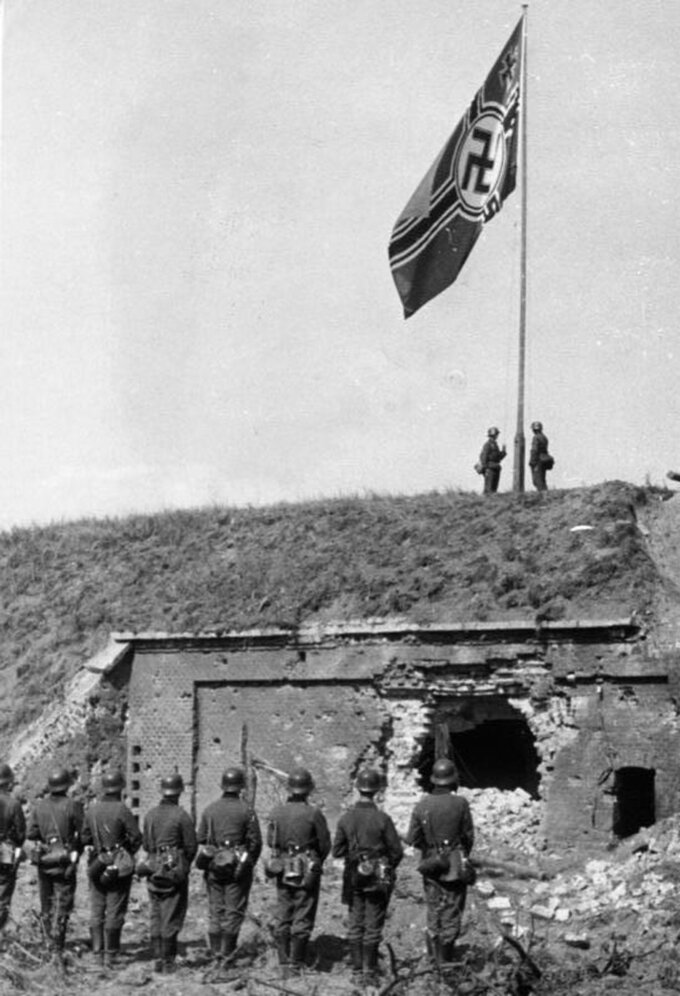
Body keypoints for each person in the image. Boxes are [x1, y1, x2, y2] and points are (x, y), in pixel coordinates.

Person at [332, 768, 403, 988]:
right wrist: (384, 866)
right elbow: (397, 851)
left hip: (353, 877)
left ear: (358, 789)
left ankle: (356, 971)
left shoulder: (346, 819)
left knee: (355, 923)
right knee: (373, 924)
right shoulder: (383, 818)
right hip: (377, 880)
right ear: (377, 791)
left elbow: (336, 851)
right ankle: (369, 972)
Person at [406, 758, 474, 971]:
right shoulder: (461, 803)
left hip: (431, 864)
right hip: (454, 863)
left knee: (434, 909)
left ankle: (433, 960)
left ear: (434, 780)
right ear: (452, 779)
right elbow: (468, 836)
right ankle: (446, 961)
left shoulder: (421, 805)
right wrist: (460, 855)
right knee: (452, 909)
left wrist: (430, 851)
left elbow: (412, 838)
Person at [266, 767, 330, 977]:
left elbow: (270, 841)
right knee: (303, 911)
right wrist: (313, 860)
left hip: (282, 866)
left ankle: (283, 962)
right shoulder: (313, 813)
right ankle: (296, 964)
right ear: (308, 789)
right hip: (307, 867)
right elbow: (324, 845)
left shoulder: (277, 812)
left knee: (284, 911)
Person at [197, 766, 262, 973]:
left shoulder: (210, 809)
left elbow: (200, 838)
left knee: (216, 911)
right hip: (237, 869)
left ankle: (216, 956)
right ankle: (227, 958)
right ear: (241, 787)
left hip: (214, 866)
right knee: (233, 911)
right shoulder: (247, 810)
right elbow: (255, 843)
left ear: (223, 786)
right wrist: (247, 863)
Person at [82, 769, 142, 969]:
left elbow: (84, 838)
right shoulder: (122, 810)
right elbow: (136, 838)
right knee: (115, 910)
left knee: (97, 910)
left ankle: (97, 954)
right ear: (119, 788)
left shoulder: (92, 810)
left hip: (96, 864)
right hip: (117, 865)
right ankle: (111, 956)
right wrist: (125, 853)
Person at [141, 772, 197, 974]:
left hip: (153, 868)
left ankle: (157, 957)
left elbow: (147, 845)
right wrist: (182, 866)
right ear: (179, 792)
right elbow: (191, 847)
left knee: (156, 914)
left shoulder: (150, 815)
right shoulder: (182, 816)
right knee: (171, 915)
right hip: (174, 872)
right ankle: (168, 961)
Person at [26, 767, 83, 959]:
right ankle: (57, 946)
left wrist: (46, 838)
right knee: (63, 902)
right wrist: (76, 851)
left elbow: (31, 833)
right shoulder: (73, 805)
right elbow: (83, 834)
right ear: (66, 785)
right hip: (64, 861)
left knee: (46, 904)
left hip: (44, 862)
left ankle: (47, 944)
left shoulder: (40, 806)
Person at [0, 763, 25, 935]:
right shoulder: (13, 804)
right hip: (5, 852)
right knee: (3, 894)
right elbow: (21, 833)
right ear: (8, 783)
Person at [478, 427, 506, 494]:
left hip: (495, 468)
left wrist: (503, 452)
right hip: (490, 468)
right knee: (489, 489)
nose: (497, 436)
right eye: (496, 434)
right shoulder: (487, 445)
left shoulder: (495, 445)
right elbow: (484, 457)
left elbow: (497, 458)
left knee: (494, 488)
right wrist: (485, 469)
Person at [529, 421, 553, 491]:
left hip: (538, 461)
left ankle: (542, 496)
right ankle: (544, 495)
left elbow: (534, 450)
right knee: (542, 479)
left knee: (537, 481)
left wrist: (533, 462)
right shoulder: (544, 437)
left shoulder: (536, 438)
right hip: (543, 459)